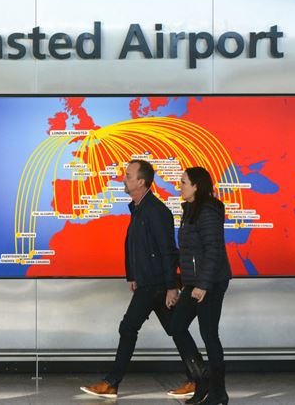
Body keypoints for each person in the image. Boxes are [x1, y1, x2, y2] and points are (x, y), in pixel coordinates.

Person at [81, 159, 204, 399]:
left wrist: (171, 287)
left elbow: (168, 251)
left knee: (128, 328)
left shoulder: (156, 211)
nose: (123, 179)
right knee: (176, 329)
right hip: (148, 281)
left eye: (128, 176)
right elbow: (135, 246)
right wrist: (132, 276)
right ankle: (198, 378)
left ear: (141, 182)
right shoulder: (138, 208)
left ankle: (112, 383)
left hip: (156, 284)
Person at [170, 167, 232, 405]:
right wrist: (181, 282)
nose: (180, 186)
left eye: (184, 182)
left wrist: (203, 284)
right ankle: (201, 379)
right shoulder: (190, 211)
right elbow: (190, 252)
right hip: (195, 283)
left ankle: (218, 391)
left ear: (196, 186)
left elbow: (213, 251)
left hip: (211, 283)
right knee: (176, 326)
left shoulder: (207, 211)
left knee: (208, 334)